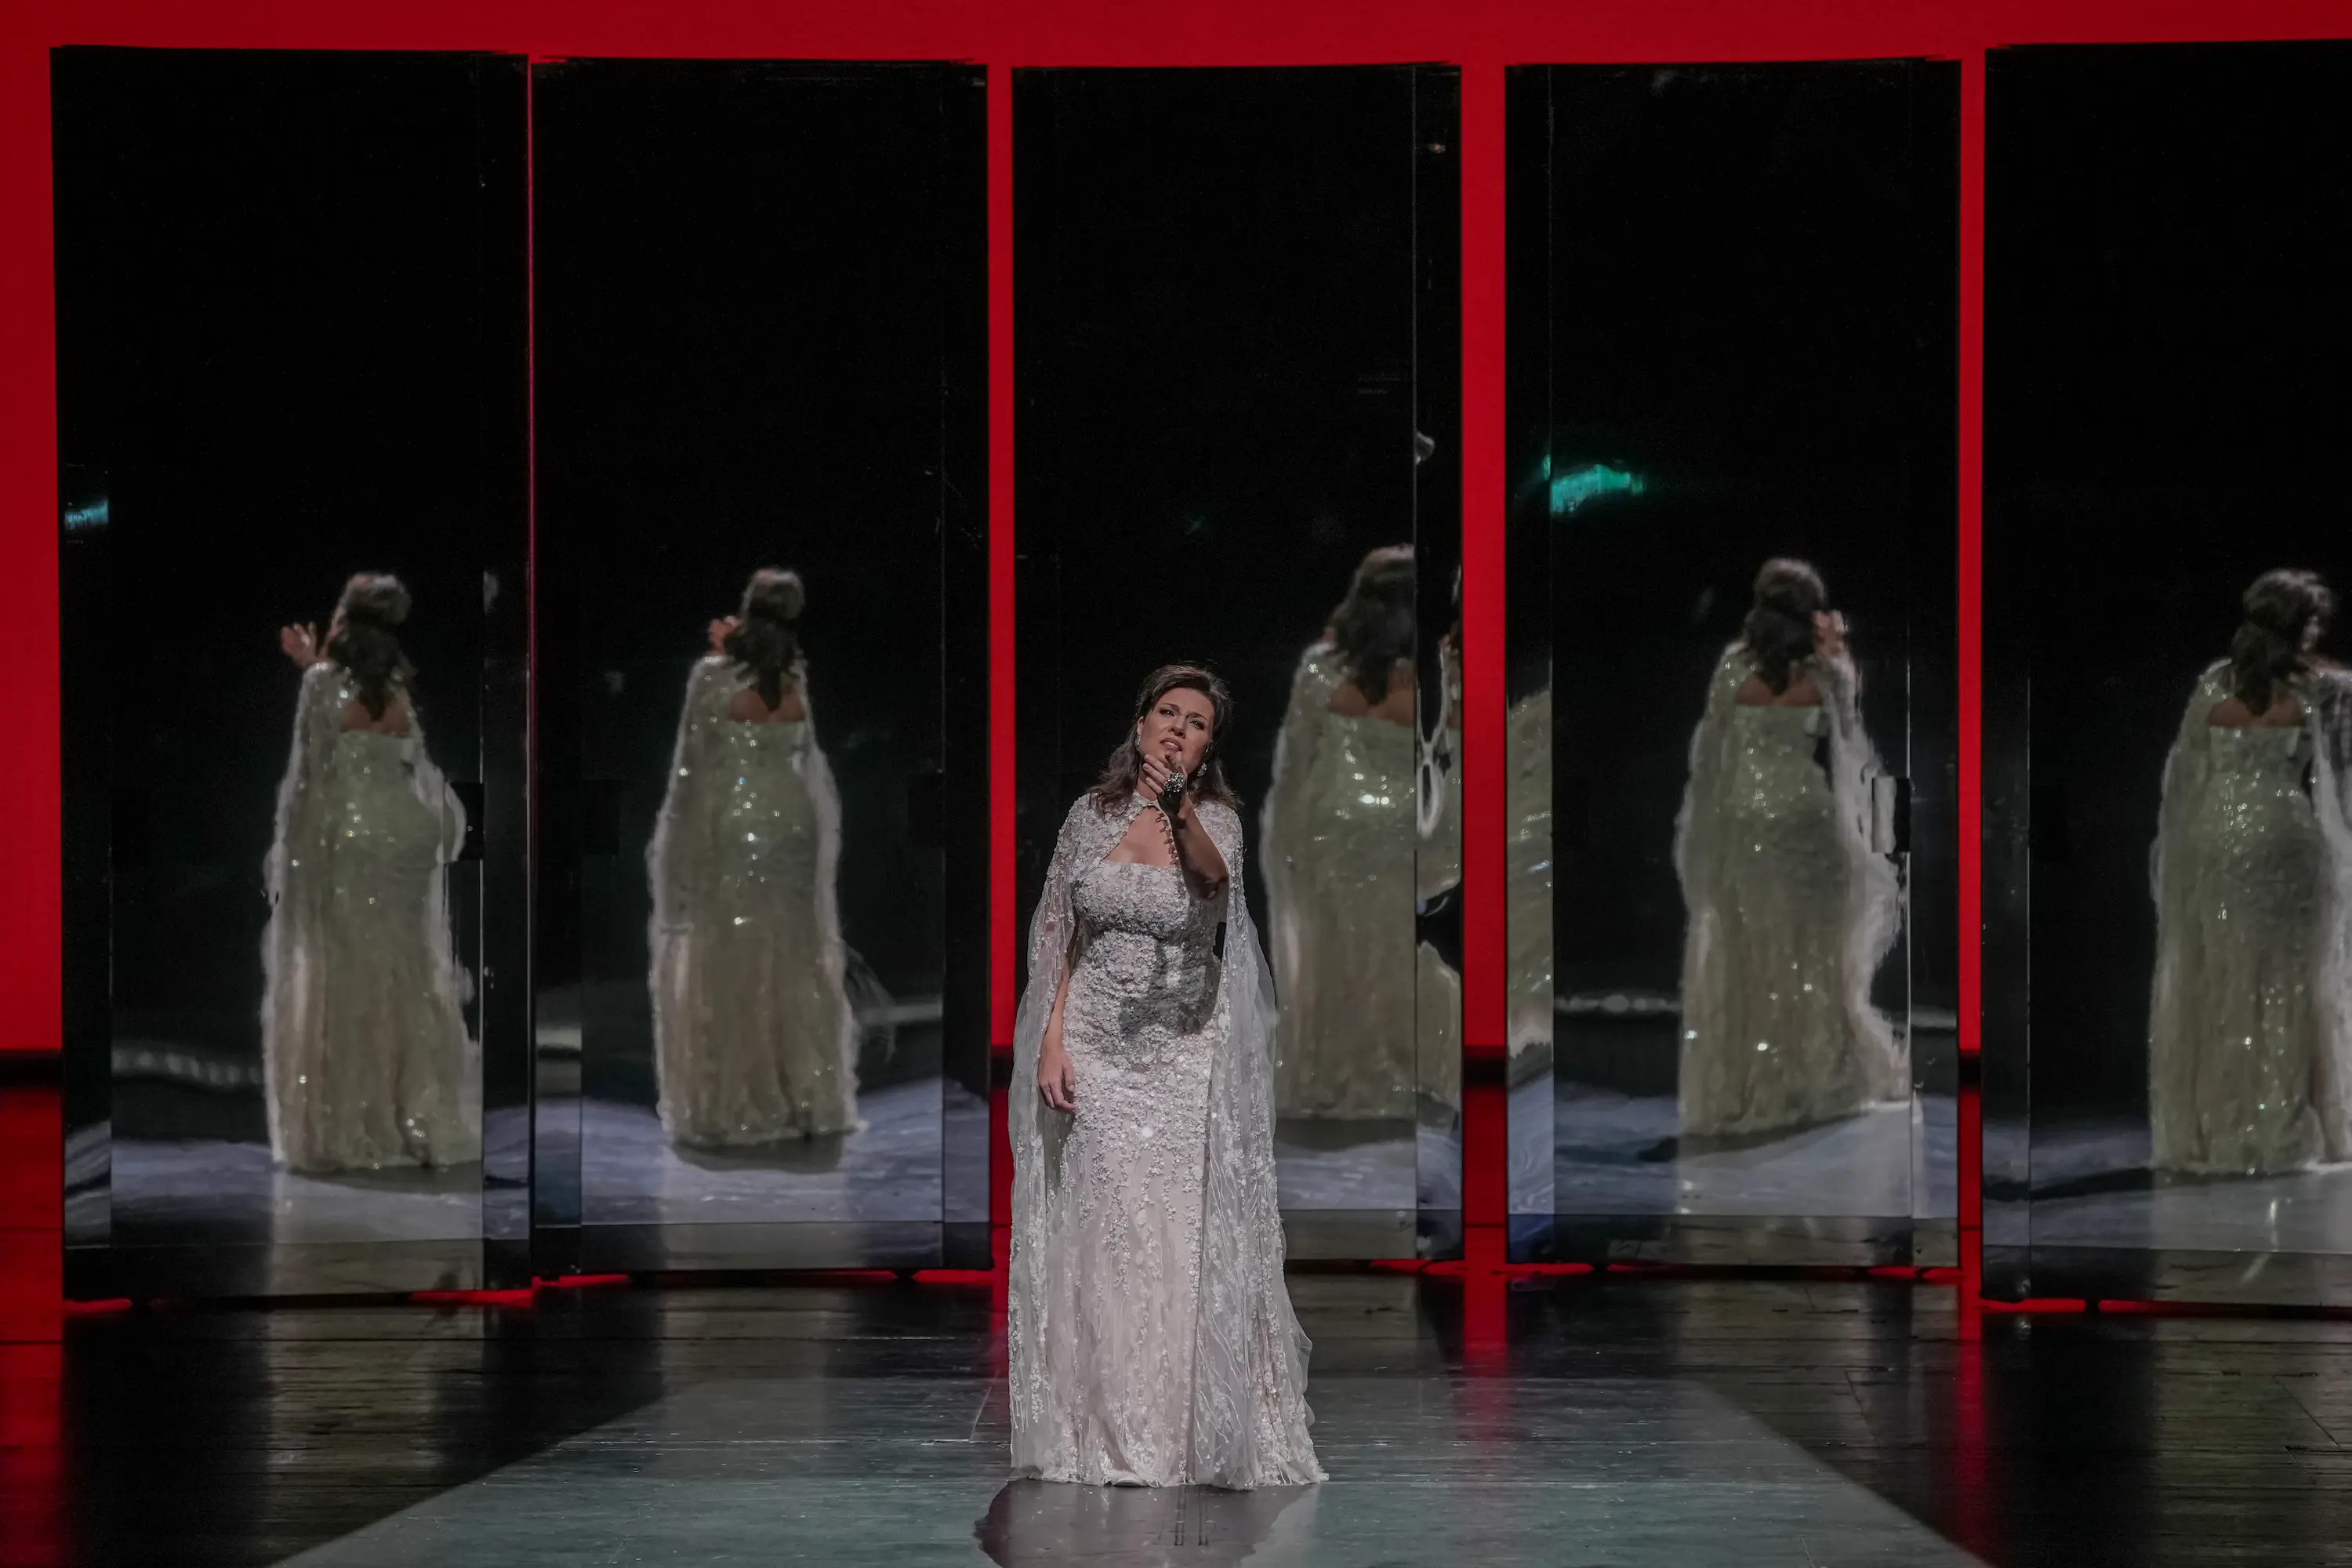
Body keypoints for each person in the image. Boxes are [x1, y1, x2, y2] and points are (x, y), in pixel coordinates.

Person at [1009, 665, 1323, 1489]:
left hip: (1184, 1055)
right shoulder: (1090, 814)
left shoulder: (1217, 819)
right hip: (1098, 1050)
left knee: (1180, 1235)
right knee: (1112, 1228)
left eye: (1197, 721)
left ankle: (1192, 1424)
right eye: (1168, 713)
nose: (1179, 728)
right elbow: (1058, 936)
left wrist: (1179, 803)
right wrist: (1050, 1038)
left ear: (1210, 744)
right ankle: (1112, 1425)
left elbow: (1214, 882)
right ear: (1141, 722)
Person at [1673, 557, 1904, 1139]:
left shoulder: (1731, 670)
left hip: (1746, 826)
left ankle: (1750, 1081)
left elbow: (1710, 762)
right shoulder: (1825, 673)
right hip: (1806, 819)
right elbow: (1852, 734)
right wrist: (1838, 652)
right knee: (1811, 953)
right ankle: (1812, 1077)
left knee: (1751, 953)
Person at [263, 572, 478, 1172]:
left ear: (342, 621)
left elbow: (310, 780)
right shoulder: (400, 689)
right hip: (404, 835)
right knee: (402, 970)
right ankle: (414, 1114)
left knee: (349, 975)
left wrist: (296, 868)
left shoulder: (325, 685)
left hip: (353, 841)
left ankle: (360, 1123)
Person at [646, 568, 860, 1148]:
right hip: (792, 823)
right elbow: (804, 757)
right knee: (789, 953)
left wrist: (676, 854)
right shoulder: (792, 674)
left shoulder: (713, 676)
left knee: (734, 959)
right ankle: (800, 1097)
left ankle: (742, 1100)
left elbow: (689, 771)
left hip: (735, 825)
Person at [2150, 568, 2352, 1175]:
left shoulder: (2212, 685)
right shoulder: (2328, 688)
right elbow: (2342, 781)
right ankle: (2281, 1122)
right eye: (2315, 622)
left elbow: (2185, 783)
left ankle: (2222, 1126)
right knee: (2291, 982)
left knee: (2224, 979)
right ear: (2303, 627)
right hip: (2288, 840)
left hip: (2216, 844)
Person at [1261, 546, 1425, 1119]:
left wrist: (1283, 840)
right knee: (1396, 953)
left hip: (1333, 829)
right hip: (1405, 831)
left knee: (1336, 954)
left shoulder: (1321, 669)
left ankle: (1338, 1075)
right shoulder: (1442, 672)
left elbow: (1297, 762)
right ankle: (1402, 1071)